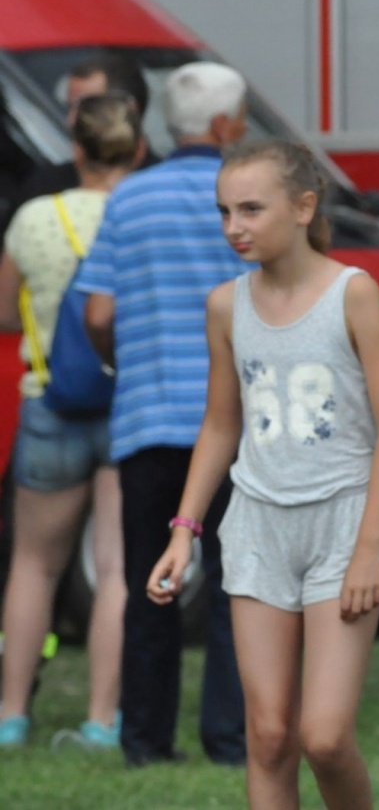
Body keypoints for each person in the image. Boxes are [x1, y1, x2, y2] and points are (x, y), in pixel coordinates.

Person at [144, 139, 379, 808]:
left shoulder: (354, 293)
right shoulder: (226, 306)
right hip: (258, 526)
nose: (235, 225)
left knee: (322, 735)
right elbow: (220, 425)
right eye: (225, 211)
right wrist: (184, 530)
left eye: (252, 209)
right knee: (265, 734)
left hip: (343, 525)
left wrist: (369, 549)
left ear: (303, 206)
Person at [77, 61, 252, 767]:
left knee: (150, 582)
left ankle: (144, 739)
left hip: (148, 416)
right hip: (236, 421)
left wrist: (122, 356)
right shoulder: (246, 198)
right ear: (223, 127)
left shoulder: (129, 199)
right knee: (237, 585)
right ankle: (230, 737)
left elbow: (98, 310)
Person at [0, 94, 143, 749]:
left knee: (33, 564)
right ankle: (102, 718)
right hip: (127, 404)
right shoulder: (141, 214)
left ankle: (10, 714)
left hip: (50, 401)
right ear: (137, 148)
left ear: (76, 149)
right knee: (115, 567)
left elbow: (6, 311)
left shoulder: (32, 217)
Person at [2, 53, 154, 234]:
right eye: (70, 107)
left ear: (129, 111)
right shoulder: (44, 188)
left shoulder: (166, 191)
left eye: (88, 108)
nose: (72, 120)